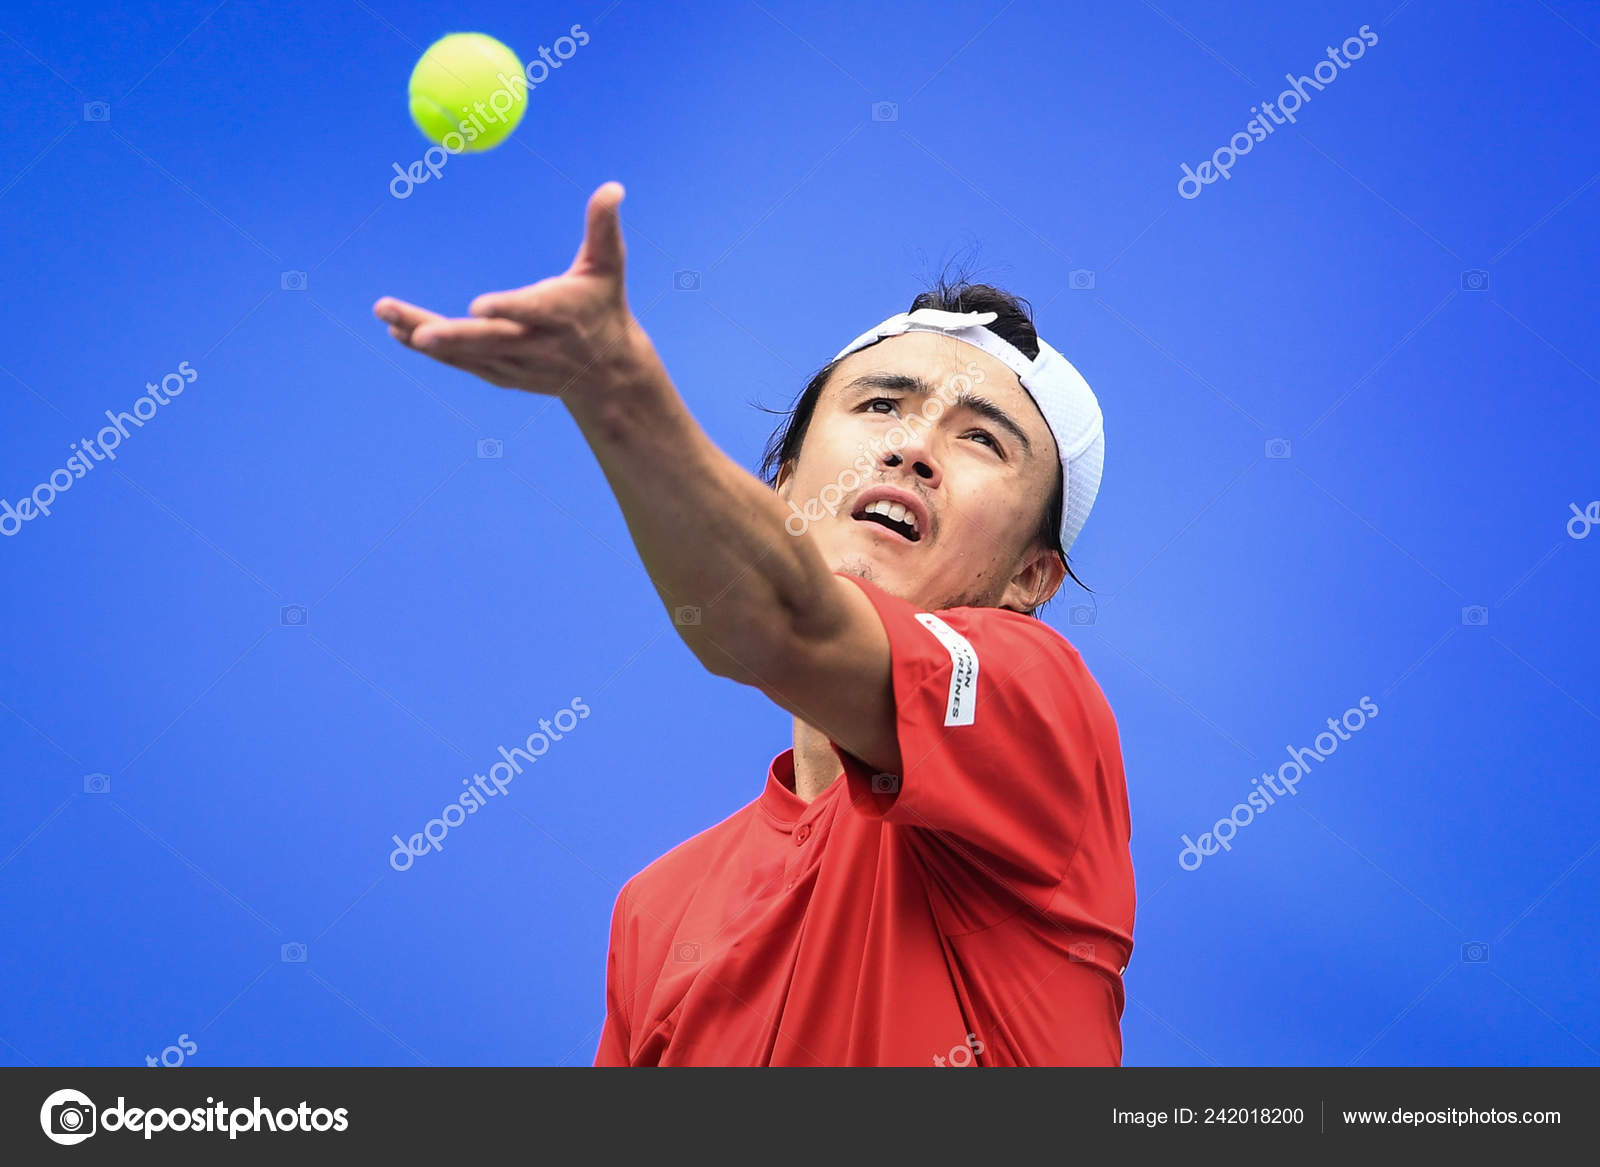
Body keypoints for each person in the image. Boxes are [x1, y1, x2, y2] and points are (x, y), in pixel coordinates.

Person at [374, 183, 1136, 1066]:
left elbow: (776, 624)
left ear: (1030, 578)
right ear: (782, 487)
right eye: (881, 405)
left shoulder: (1043, 704)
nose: (912, 448)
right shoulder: (657, 910)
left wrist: (616, 389)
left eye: (981, 440)